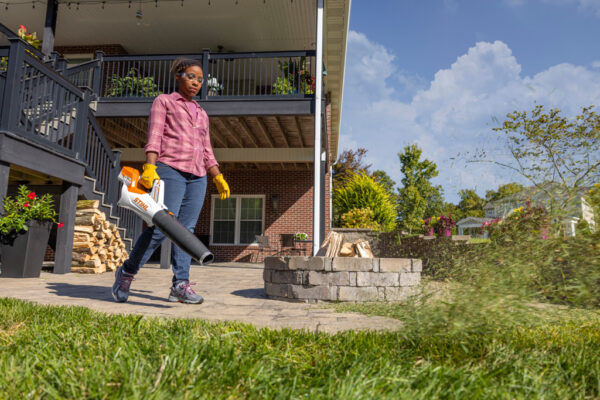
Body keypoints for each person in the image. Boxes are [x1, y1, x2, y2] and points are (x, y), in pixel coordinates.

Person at [112, 58, 230, 304]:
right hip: (170, 169)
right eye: (191, 76)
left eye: (200, 79)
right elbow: (154, 134)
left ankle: (180, 285)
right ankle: (127, 273)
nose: (196, 82)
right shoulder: (164, 101)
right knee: (161, 228)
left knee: (186, 231)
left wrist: (216, 174)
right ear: (178, 76)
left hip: (197, 175)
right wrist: (150, 165)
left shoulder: (201, 113)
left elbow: (206, 148)